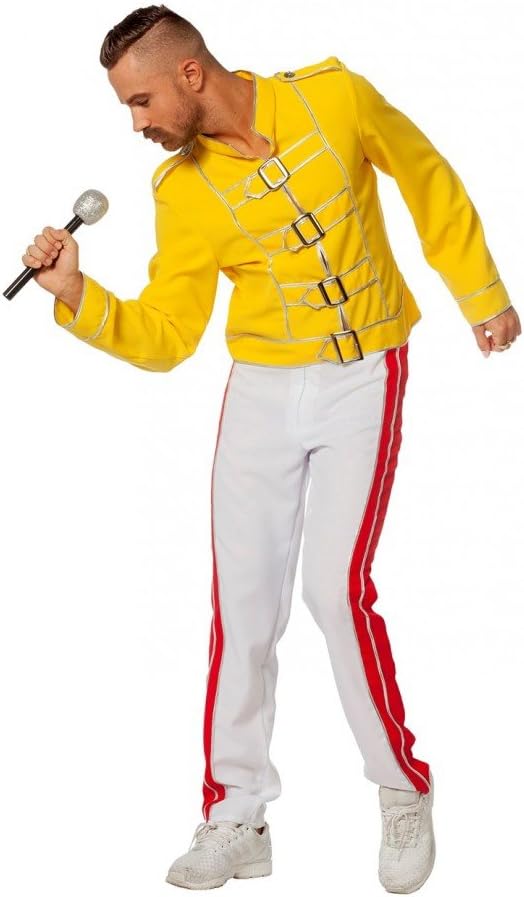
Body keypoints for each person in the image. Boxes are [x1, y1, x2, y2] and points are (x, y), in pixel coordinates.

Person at [22, 5, 520, 893]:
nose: (136, 124)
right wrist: (77, 294)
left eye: (140, 101)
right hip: (259, 389)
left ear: (189, 75)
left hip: (365, 373)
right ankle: (236, 815)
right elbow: (170, 334)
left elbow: (427, 176)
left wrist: (481, 291)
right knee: (243, 606)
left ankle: (401, 784)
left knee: (335, 589)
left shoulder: (334, 96)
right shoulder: (181, 190)